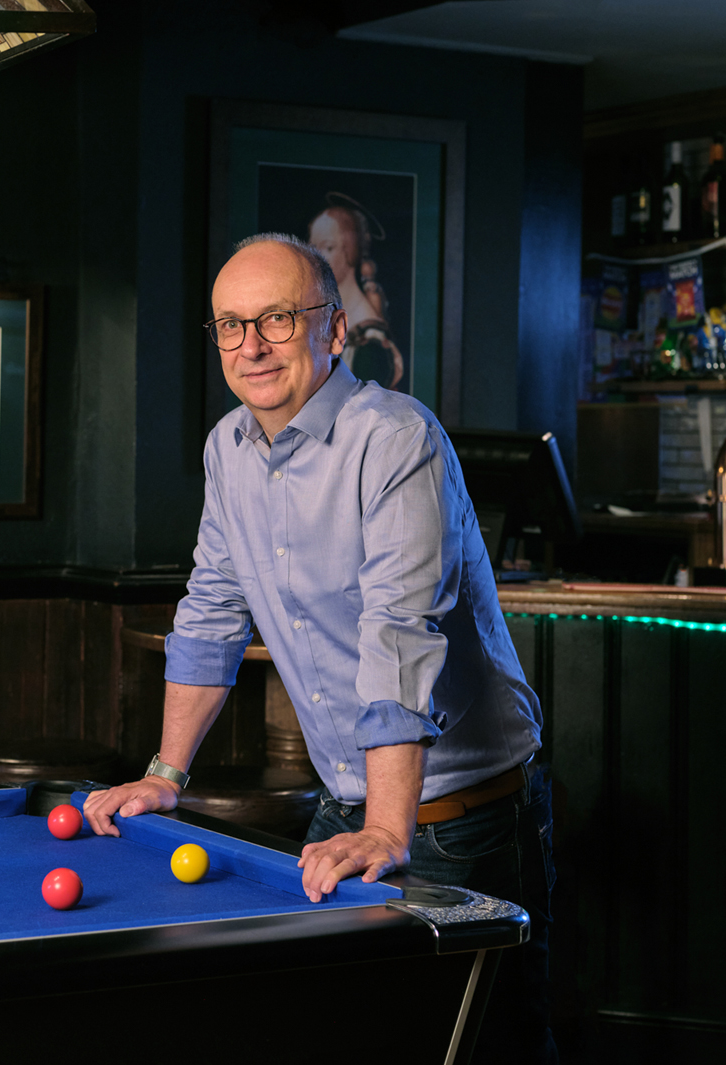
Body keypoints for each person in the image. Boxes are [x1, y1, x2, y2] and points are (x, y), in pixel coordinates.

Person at [82, 234, 556, 1064]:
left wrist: (386, 825)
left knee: (490, 1046)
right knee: (357, 1037)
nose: (251, 344)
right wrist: (166, 773)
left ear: (333, 331)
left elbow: (399, 634)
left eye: (275, 318)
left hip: (464, 816)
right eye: (231, 324)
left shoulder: (397, 437)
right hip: (345, 807)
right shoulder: (228, 447)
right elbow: (211, 611)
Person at [306, 197, 406, 388]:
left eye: (328, 248)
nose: (316, 259)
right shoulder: (323, 312)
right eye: (312, 248)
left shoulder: (368, 343)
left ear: (350, 251)